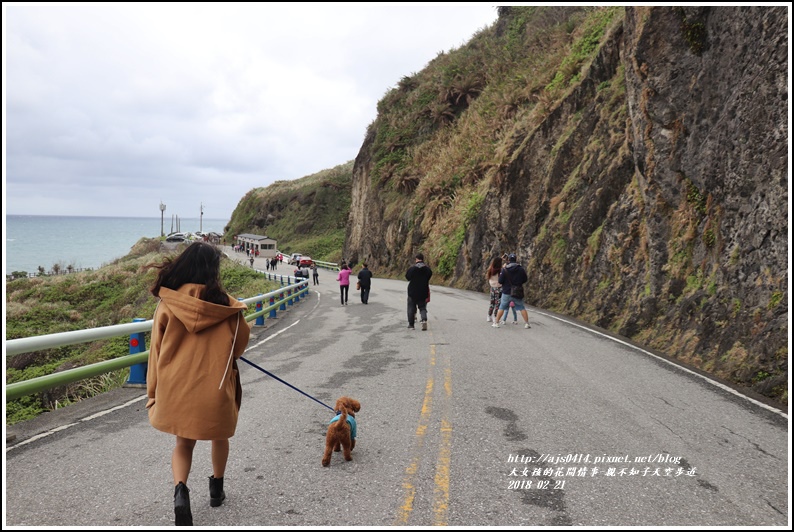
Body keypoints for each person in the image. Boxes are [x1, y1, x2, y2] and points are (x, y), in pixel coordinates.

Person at [145, 242, 251, 526]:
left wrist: (153, 393)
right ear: (212, 271)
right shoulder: (228, 307)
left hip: (177, 388)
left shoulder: (167, 305)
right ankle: (216, 489)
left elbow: (155, 354)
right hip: (215, 388)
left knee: (183, 443)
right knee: (220, 436)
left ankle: (181, 491)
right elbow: (238, 347)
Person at [493, 253, 531, 329]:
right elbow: (525, 279)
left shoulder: (505, 269)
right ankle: (527, 324)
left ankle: (496, 323)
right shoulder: (520, 269)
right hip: (517, 292)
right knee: (521, 307)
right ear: (516, 260)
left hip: (506, 291)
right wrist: (518, 283)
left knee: (502, 307)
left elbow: (500, 281)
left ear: (509, 260)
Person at [406, 252, 432, 330]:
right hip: (423, 290)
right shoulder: (427, 269)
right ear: (423, 259)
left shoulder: (412, 269)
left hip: (412, 291)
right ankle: (424, 319)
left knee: (411, 307)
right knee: (422, 307)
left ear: (416, 259)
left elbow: (407, 277)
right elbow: (429, 277)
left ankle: (411, 325)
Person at [486, 256, 503, 322]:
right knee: (497, 303)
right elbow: (501, 279)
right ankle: (495, 316)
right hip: (498, 288)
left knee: (492, 303)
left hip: (492, 287)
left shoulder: (490, 269)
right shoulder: (500, 270)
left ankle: (489, 315)